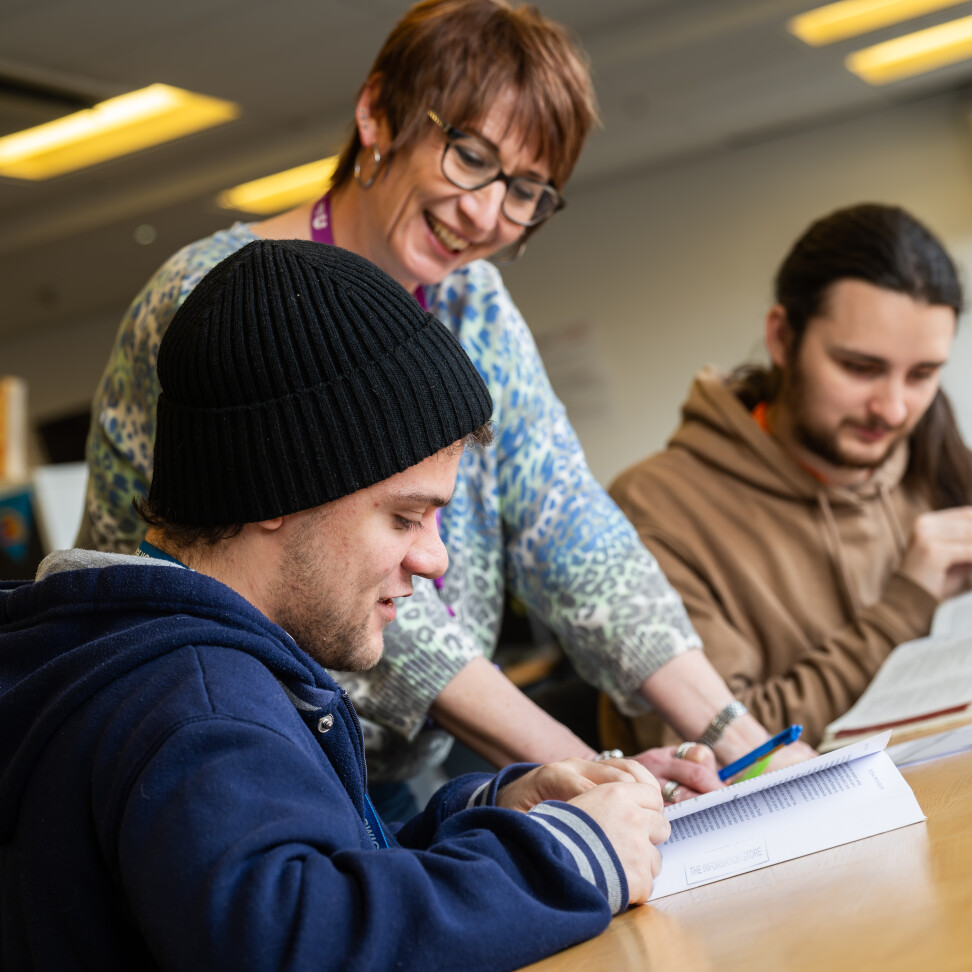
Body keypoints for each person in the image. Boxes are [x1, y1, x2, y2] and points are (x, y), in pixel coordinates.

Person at [80, 0, 788, 808]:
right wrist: (590, 771)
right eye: (471, 156)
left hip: (395, 772)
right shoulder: (230, 298)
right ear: (378, 114)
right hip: (231, 760)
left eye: (527, 189)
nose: (486, 213)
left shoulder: (471, 300)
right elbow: (334, 573)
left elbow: (569, 526)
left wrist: (743, 744)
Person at [1, 240, 674, 972]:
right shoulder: (200, 702)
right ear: (274, 493)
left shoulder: (157, 664)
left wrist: (488, 817)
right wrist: (565, 860)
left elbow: (300, 884)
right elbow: (298, 943)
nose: (434, 558)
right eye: (405, 517)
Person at [605, 203, 972, 751]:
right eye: (859, 367)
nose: (893, 409)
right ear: (781, 338)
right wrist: (907, 604)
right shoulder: (654, 504)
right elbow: (721, 749)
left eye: (922, 375)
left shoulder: (933, 450)